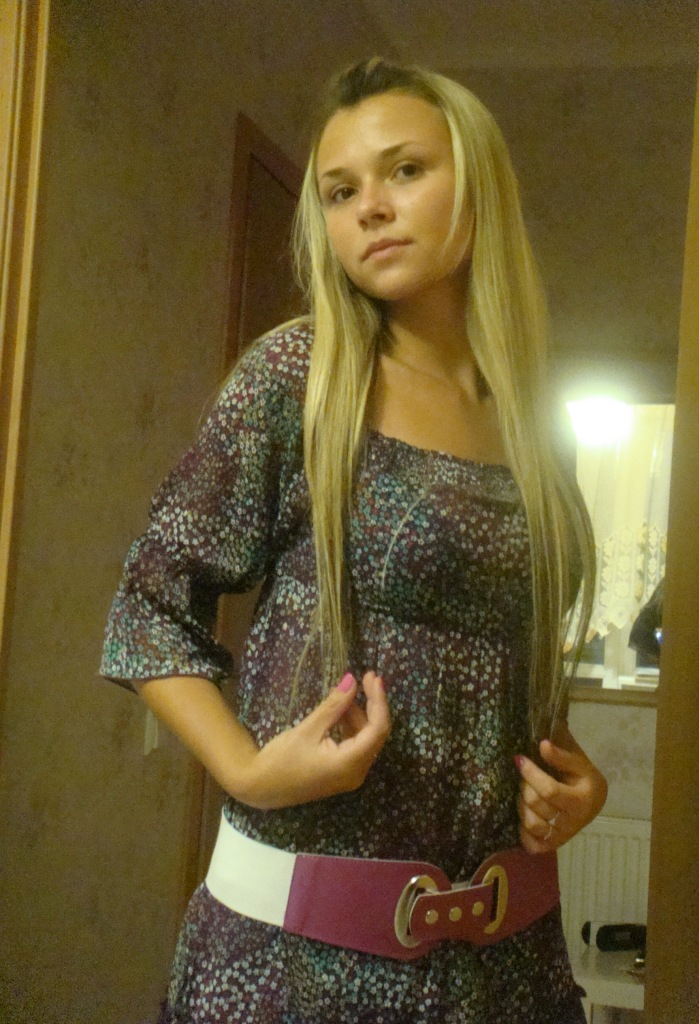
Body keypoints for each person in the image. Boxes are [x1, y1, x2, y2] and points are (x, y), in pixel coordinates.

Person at [102, 58, 608, 1024]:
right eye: (340, 191)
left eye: (405, 170)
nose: (371, 206)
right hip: (298, 966)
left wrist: (569, 782)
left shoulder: (540, 420)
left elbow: (507, 654)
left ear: (477, 185)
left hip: (510, 972)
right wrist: (246, 770)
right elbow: (148, 605)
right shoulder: (302, 375)